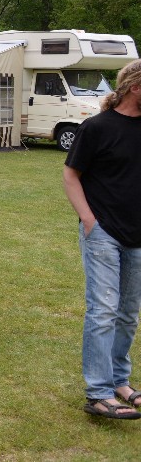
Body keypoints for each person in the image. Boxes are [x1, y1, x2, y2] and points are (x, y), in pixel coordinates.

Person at [64, 59, 141, 420]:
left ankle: (119, 382)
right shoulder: (97, 128)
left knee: (127, 313)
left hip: (137, 233)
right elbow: (71, 175)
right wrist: (89, 220)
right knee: (104, 310)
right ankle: (98, 392)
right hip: (104, 232)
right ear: (135, 88)